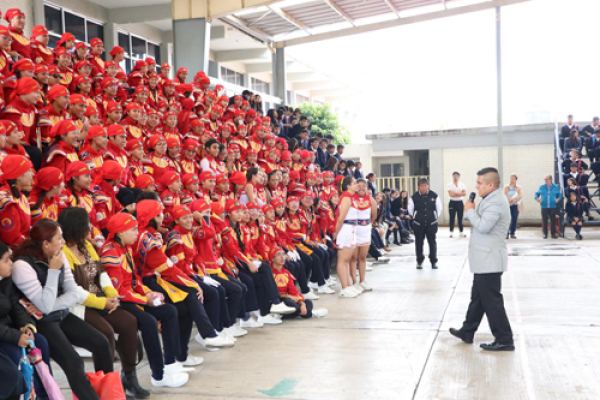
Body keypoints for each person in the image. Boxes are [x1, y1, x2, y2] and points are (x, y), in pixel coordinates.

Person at [12, 219, 113, 400]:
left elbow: (72, 293)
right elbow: (43, 307)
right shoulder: (22, 266)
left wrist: (50, 304)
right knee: (73, 361)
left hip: (61, 314)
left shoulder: (58, 255)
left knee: (102, 343)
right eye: (59, 238)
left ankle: (108, 394)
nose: (63, 242)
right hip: (41, 323)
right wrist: (52, 272)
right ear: (45, 243)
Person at [58, 207, 149, 398]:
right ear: (76, 227)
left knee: (129, 322)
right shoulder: (63, 252)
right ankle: (106, 384)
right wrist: (103, 303)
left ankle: (129, 377)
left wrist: (112, 294)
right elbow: (74, 291)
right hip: (80, 304)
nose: (90, 227)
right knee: (105, 332)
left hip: (100, 298)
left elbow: (102, 273)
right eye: (86, 224)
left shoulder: (87, 246)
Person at [449, 167, 514, 352]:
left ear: (490, 184)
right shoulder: (490, 199)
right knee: (478, 298)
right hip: (484, 260)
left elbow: (484, 226)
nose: (476, 187)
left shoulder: (496, 202)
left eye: (479, 183)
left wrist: (469, 211)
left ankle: (504, 339)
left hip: (490, 260)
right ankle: (468, 330)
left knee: (492, 301)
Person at [0, 241, 52, 400]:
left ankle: (44, 395)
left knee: (40, 342)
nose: (12, 263)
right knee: (13, 355)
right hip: (3, 335)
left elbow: (16, 305)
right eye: (7, 260)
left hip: (8, 330)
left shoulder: (6, 279)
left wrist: (26, 326)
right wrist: (16, 337)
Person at [408, 178, 442, 269]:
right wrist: (416, 217)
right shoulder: (414, 197)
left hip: (431, 223)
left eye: (426, 185)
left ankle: (433, 261)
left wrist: (434, 217)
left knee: (432, 242)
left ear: (428, 186)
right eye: (422, 186)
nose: (424, 188)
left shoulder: (434, 195)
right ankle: (419, 261)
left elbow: (439, 208)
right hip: (418, 224)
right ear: (419, 187)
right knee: (419, 242)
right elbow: (410, 210)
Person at [534, 175, 562, 239]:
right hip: (544, 206)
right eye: (545, 179)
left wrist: (557, 199)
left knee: (553, 221)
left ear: (550, 180)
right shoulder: (542, 186)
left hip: (553, 206)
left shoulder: (555, 187)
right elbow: (536, 194)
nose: (546, 181)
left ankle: (553, 234)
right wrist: (537, 198)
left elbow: (559, 195)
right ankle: (545, 234)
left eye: (547, 179)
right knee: (545, 220)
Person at [447, 171, 467, 238]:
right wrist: (459, 193)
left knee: (460, 218)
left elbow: (464, 193)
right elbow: (451, 194)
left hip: (460, 202)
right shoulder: (449, 185)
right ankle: (451, 232)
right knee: (452, 218)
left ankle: (461, 232)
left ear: (459, 177)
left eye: (457, 176)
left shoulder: (462, 184)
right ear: (452, 177)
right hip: (452, 202)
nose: (455, 177)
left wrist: (455, 193)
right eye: (454, 176)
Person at [503, 173, 523, 239]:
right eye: (511, 178)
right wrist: (511, 199)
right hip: (507, 205)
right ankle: (506, 233)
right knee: (507, 220)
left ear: (516, 180)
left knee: (514, 219)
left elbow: (520, 196)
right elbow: (505, 194)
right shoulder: (506, 187)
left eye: (513, 178)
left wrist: (513, 201)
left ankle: (512, 233)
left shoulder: (518, 187)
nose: (512, 180)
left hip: (515, 205)